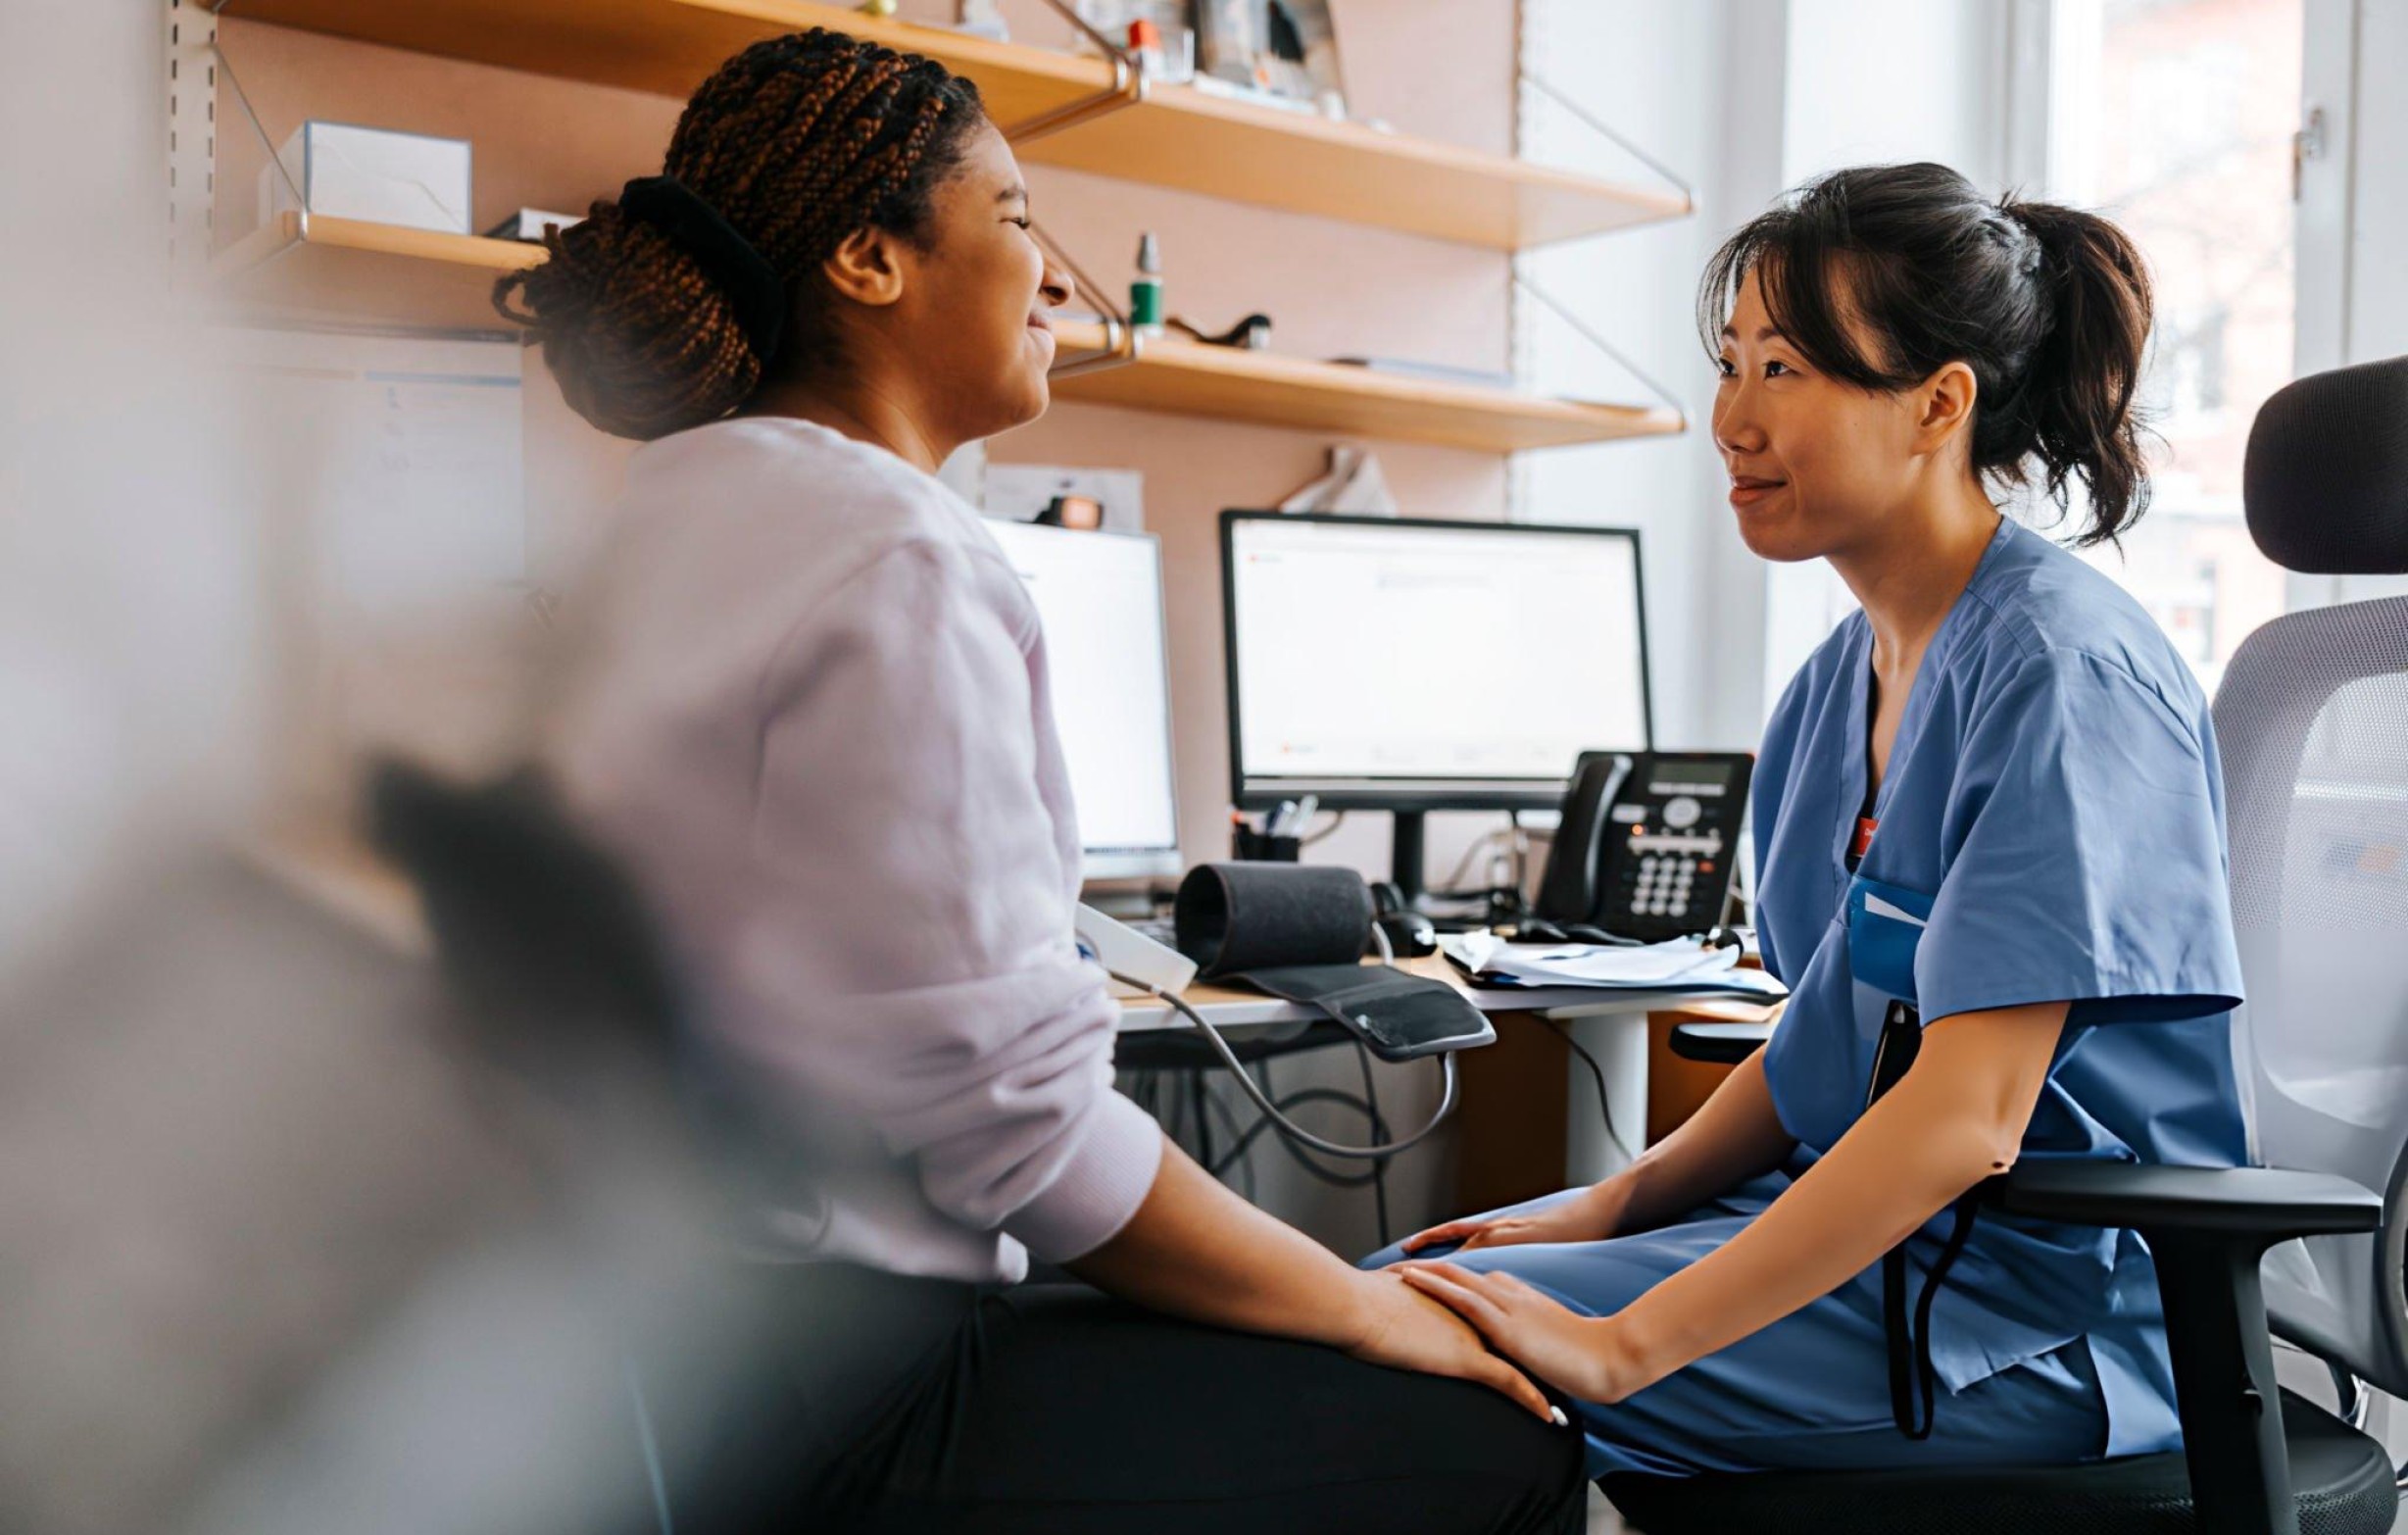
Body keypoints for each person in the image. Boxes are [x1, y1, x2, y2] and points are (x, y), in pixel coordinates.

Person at [498, 27, 1585, 1535]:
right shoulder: (897, 555)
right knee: (1498, 1439)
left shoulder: (656, 520)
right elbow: (1022, 1139)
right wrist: (1360, 1306)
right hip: (842, 1384)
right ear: (870, 262)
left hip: (665, 1348)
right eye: (1011, 218)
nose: (1050, 273)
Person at [1371, 162, 2247, 1480]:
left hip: (2037, 1313)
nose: (1730, 418)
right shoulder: (1839, 683)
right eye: (1729, 364)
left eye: (1783, 370)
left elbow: (1965, 1117)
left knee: (1413, 1366)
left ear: (1936, 405)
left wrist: (1626, 1341)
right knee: (1381, 1289)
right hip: (1880, 1249)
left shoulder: (2062, 676)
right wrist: (1607, 1202)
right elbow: (1820, 1045)